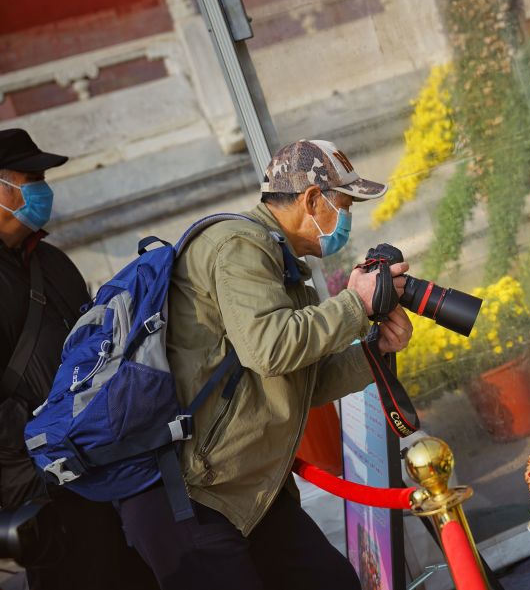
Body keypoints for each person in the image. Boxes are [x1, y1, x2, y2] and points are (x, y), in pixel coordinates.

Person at [118, 139, 414, 590]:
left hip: (245, 487)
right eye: (345, 204)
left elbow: (300, 385)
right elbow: (270, 349)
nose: (349, 218)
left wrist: (376, 351)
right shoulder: (239, 245)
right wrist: (356, 304)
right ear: (312, 199)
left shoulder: (281, 263)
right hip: (188, 497)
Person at [0, 128, 157, 589]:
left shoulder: (51, 260)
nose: (42, 190)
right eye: (30, 178)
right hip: (42, 488)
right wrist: (33, 469)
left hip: (101, 465)